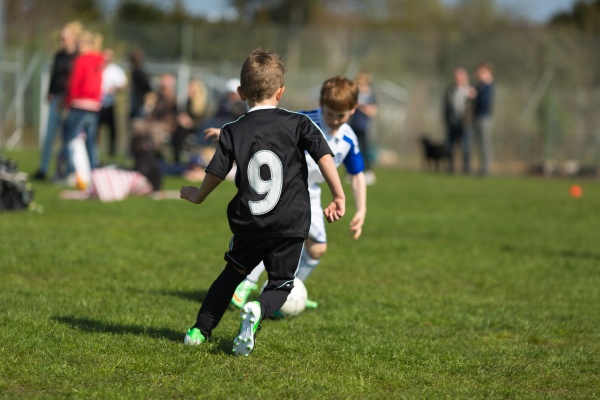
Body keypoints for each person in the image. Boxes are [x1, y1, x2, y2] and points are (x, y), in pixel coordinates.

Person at [180, 48, 346, 356]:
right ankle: (258, 308)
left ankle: (198, 331)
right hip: (291, 223)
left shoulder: (232, 130)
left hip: (251, 221)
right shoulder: (299, 123)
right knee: (281, 284)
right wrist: (338, 194)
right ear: (281, 92)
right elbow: (324, 156)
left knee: (231, 275)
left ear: (241, 92)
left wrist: (198, 195)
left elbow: (217, 171)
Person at [230, 76, 367, 311]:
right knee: (275, 237)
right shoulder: (303, 121)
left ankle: (292, 292)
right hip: (285, 186)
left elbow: (356, 174)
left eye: (340, 116)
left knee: (316, 248)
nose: (334, 120)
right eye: (329, 113)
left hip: (310, 193)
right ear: (321, 104)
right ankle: (247, 283)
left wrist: (361, 209)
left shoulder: (349, 139)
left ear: (353, 110)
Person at [32, 21, 82, 181]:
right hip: (57, 99)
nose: (62, 41)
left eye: (64, 38)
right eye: (60, 38)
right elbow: (54, 76)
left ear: (73, 38)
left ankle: (67, 171)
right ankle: (43, 168)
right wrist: (49, 93)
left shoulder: (78, 57)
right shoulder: (58, 56)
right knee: (49, 135)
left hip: (70, 102)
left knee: (67, 137)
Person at [61, 30, 105, 177]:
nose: (78, 47)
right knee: (91, 142)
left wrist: (68, 102)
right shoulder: (99, 61)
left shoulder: (80, 61)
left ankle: (72, 172)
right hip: (94, 106)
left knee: (70, 139)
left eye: (80, 44)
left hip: (79, 104)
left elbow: (74, 83)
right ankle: (93, 173)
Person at [443, 67, 475, 174]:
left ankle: (466, 169)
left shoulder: (471, 90)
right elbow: (446, 106)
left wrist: (472, 97)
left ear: (465, 78)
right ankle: (450, 168)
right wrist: (446, 119)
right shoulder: (450, 90)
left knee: (466, 147)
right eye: (456, 77)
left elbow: (474, 106)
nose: (457, 79)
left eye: (460, 77)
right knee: (450, 147)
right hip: (452, 122)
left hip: (466, 123)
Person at [97, 48, 127, 158]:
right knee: (95, 129)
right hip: (97, 104)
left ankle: (112, 151)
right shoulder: (98, 68)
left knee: (112, 129)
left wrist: (116, 88)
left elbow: (124, 84)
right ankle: (95, 150)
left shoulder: (116, 70)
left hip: (110, 103)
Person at [349, 71, 377, 185]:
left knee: (364, 149)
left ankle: (368, 172)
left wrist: (361, 106)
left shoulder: (370, 95)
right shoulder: (354, 94)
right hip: (353, 125)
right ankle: (351, 172)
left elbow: (372, 111)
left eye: (362, 83)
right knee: (352, 149)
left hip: (364, 126)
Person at [472, 63, 495, 176]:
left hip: (484, 117)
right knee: (480, 144)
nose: (478, 74)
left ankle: (486, 168)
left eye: (480, 72)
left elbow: (485, 102)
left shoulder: (488, 86)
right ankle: (482, 166)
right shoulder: (480, 86)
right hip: (478, 117)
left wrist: (476, 96)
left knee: (485, 143)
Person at [128, 49, 152, 121]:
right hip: (135, 104)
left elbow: (147, 87)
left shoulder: (140, 73)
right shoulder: (134, 72)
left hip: (139, 104)